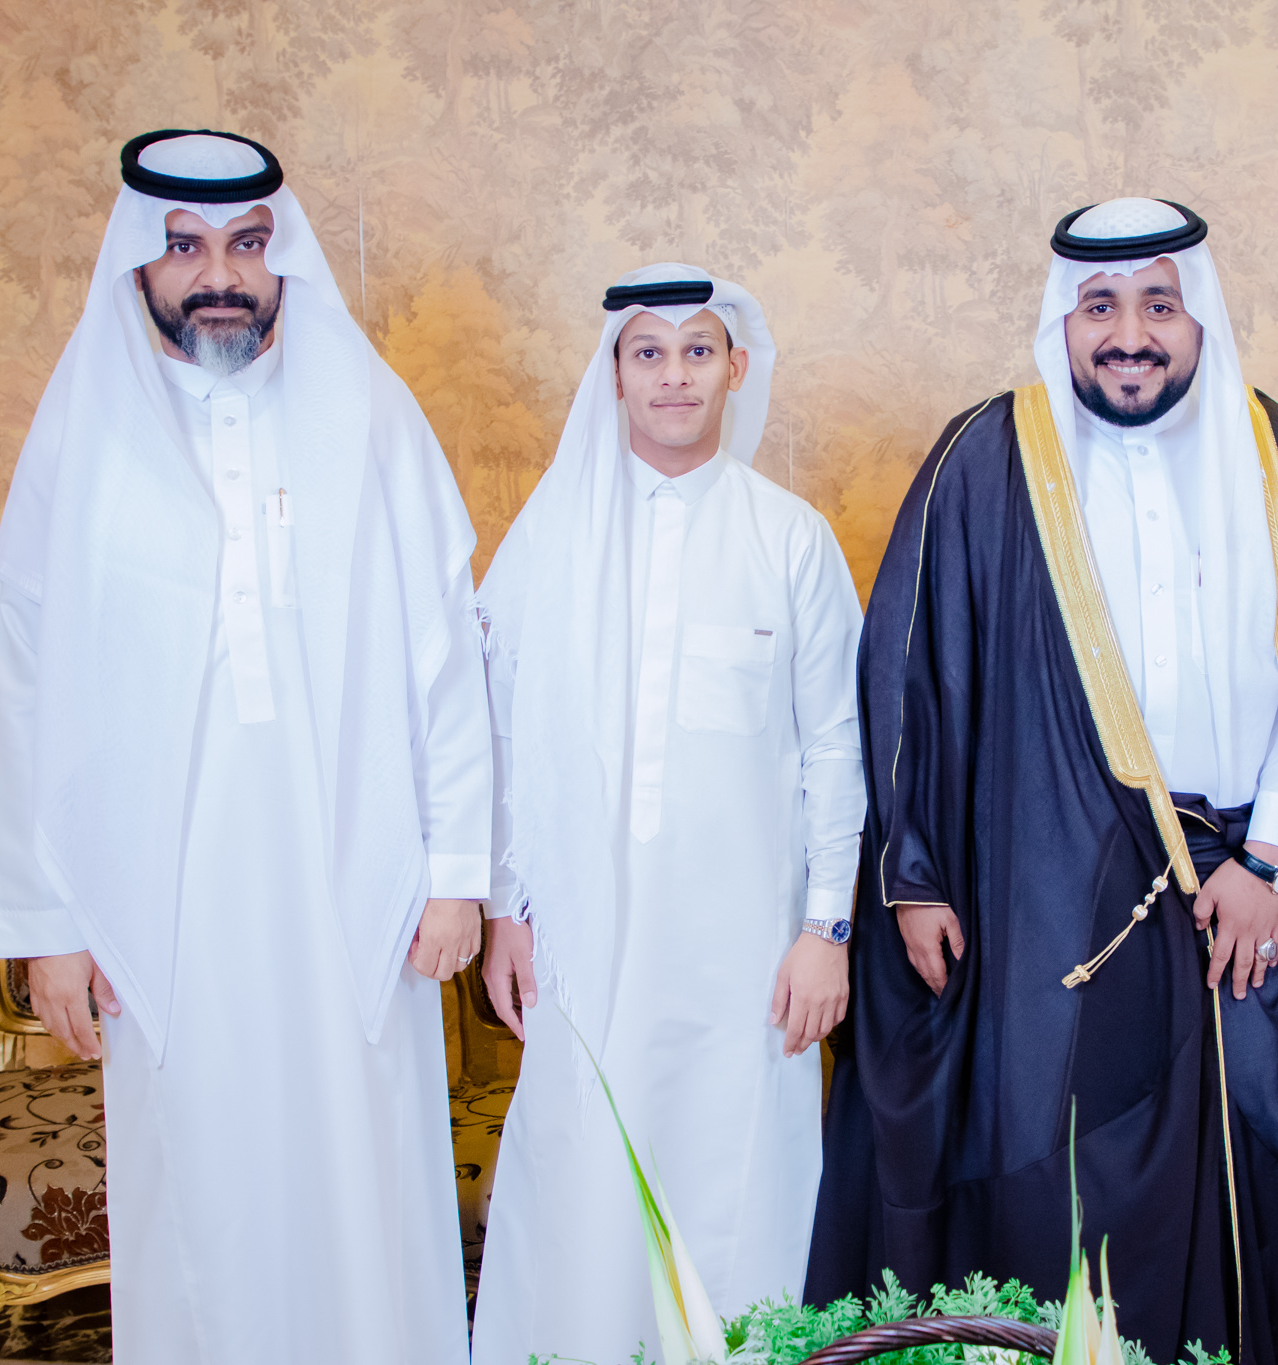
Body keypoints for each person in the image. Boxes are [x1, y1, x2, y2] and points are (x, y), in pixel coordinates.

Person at [805, 199, 1278, 1365]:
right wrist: (914, 877)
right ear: (1060, 323)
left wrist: (1267, 861)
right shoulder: (986, 458)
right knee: (1062, 1178)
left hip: (1249, 890)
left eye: (1158, 305)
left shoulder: (1275, 457)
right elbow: (906, 673)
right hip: (1052, 890)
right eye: (1099, 307)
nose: (1129, 336)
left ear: (1198, 316)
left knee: (1246, 1184)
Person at [0, 130, 488, 1364]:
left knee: (367, 1179)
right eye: (187, 247)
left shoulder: (368, 414)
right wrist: (46, 922)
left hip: (353, 883)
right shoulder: (82, 439)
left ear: (281, 257)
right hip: (169, 907)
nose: (221, 275)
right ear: (139, 264)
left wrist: (453, 871)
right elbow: (25, 685)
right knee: (202, 1192)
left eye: (249, 245)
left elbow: (442, 651)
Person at [471, 266, 866, 1365]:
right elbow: (499, 736)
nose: (675, 375)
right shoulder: (549, 541)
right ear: (613, 374)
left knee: (737, 1197)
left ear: (735, 368)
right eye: (648, 351)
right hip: (585, 949)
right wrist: (505, 909)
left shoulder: (789, 538)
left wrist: (826, 929)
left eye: (698, 350)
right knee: (580, 1182)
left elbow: (837, 746)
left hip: (749, 959)